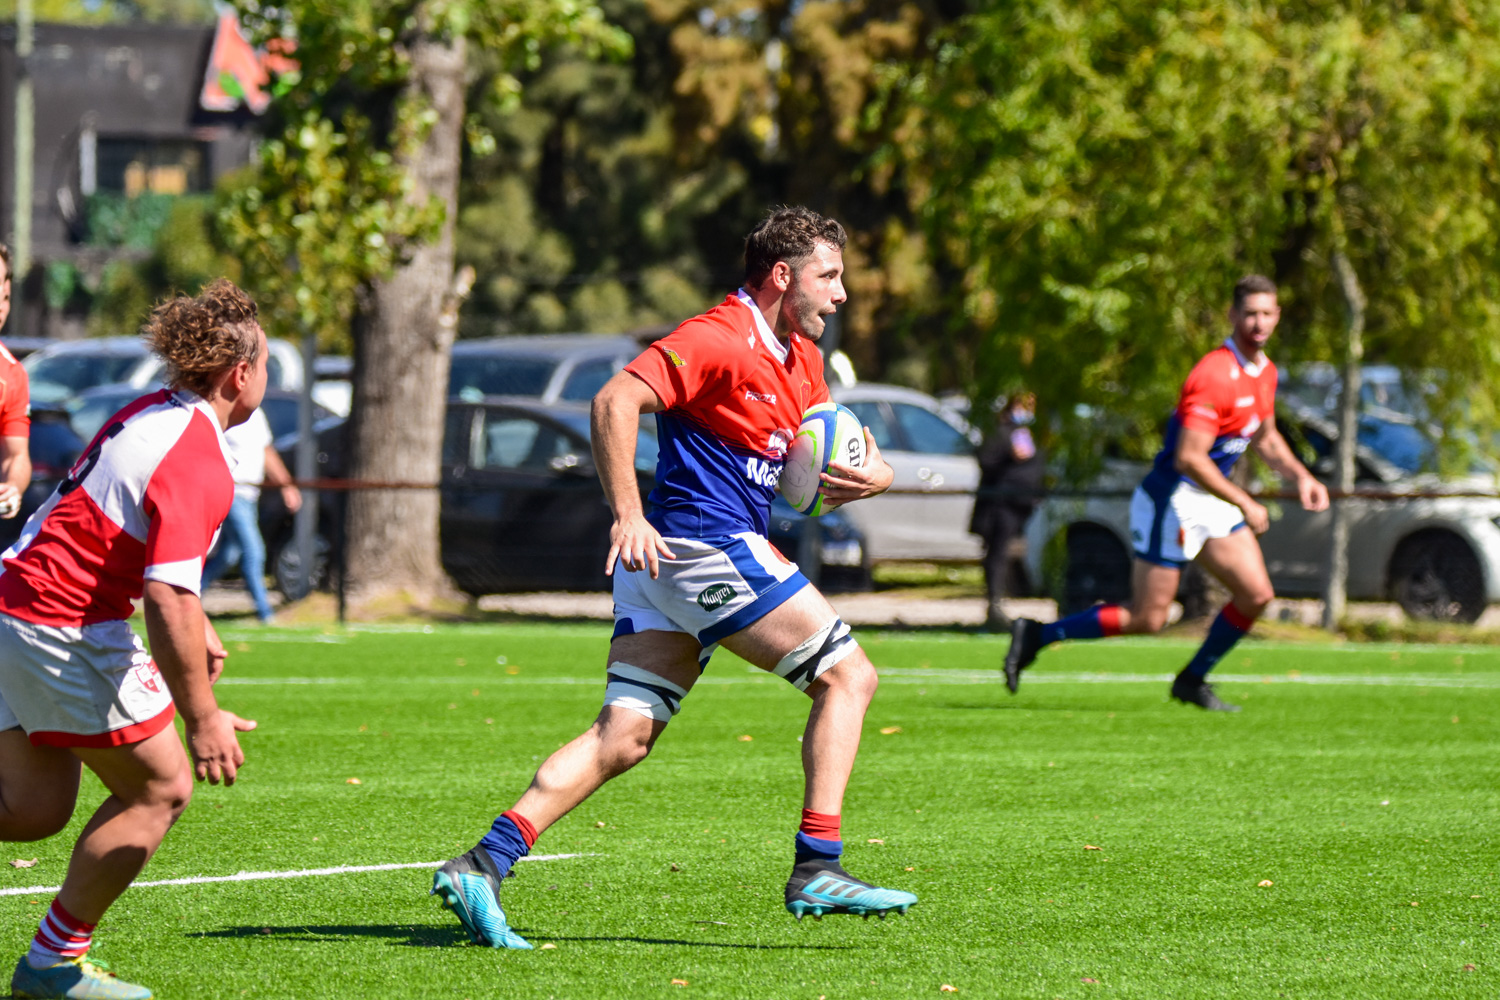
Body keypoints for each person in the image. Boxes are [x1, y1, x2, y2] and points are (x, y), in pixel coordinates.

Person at [431, 206, 918, 949]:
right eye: (830, 277)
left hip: (673, 567)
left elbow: (828, 461)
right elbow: (614, 399)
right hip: (701, 546)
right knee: (849, 678)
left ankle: (483, 863)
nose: (842, 293)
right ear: (782, 277)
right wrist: (627, 513)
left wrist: (873, 476)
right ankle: (818, 865)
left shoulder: (803, 360)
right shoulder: (717, 336)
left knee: (623, 736)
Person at [0, 279, 262, 1000]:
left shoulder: (150, 411)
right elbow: (166, 594)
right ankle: (52, 966)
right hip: (62, 621)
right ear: (241, 374)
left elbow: (108, 522)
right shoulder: (198, 454)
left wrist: (196, 618)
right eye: (264, 363)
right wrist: (203, 716)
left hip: (15, 599)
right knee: (161, 787)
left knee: (31, 810)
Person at [1003, 275, 1329, 711]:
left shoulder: (1265, 372)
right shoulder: (1212, 375)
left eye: (1267, 313)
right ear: (1232, 315)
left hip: (1212, 498)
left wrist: (1301, 476)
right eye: (1249, 313)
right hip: (1172, 500)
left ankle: (1192, 680)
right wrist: (1246, 501)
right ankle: (1038, 634)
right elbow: (1189, 458)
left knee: (1256, 595)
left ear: (1277, 316)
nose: (1258, 322)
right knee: (1149, 618)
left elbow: (1265, 437)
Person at [201, 406, 301, 622]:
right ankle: (265, 612)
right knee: (253, 549)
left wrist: (286, 486)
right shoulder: (222, 413)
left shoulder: (257, 415)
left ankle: (190, 596)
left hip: (250, 495)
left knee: (230, 554)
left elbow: (266, 451)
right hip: (232, 492)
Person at [970, 393, 1044, 631]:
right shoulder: (1001, 434)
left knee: (1010, 556)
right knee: (997, 555)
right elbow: (985, 459)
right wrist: (1007, 451)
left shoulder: (1033, 433)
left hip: (1022, 505)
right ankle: (994, 604)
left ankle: (1007, 597)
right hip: (1000, 505)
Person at [0, 244, 32, 523]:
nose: (1, 304)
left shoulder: (12, 374)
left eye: (6, 296)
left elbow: (16, 456)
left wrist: (13, 487)